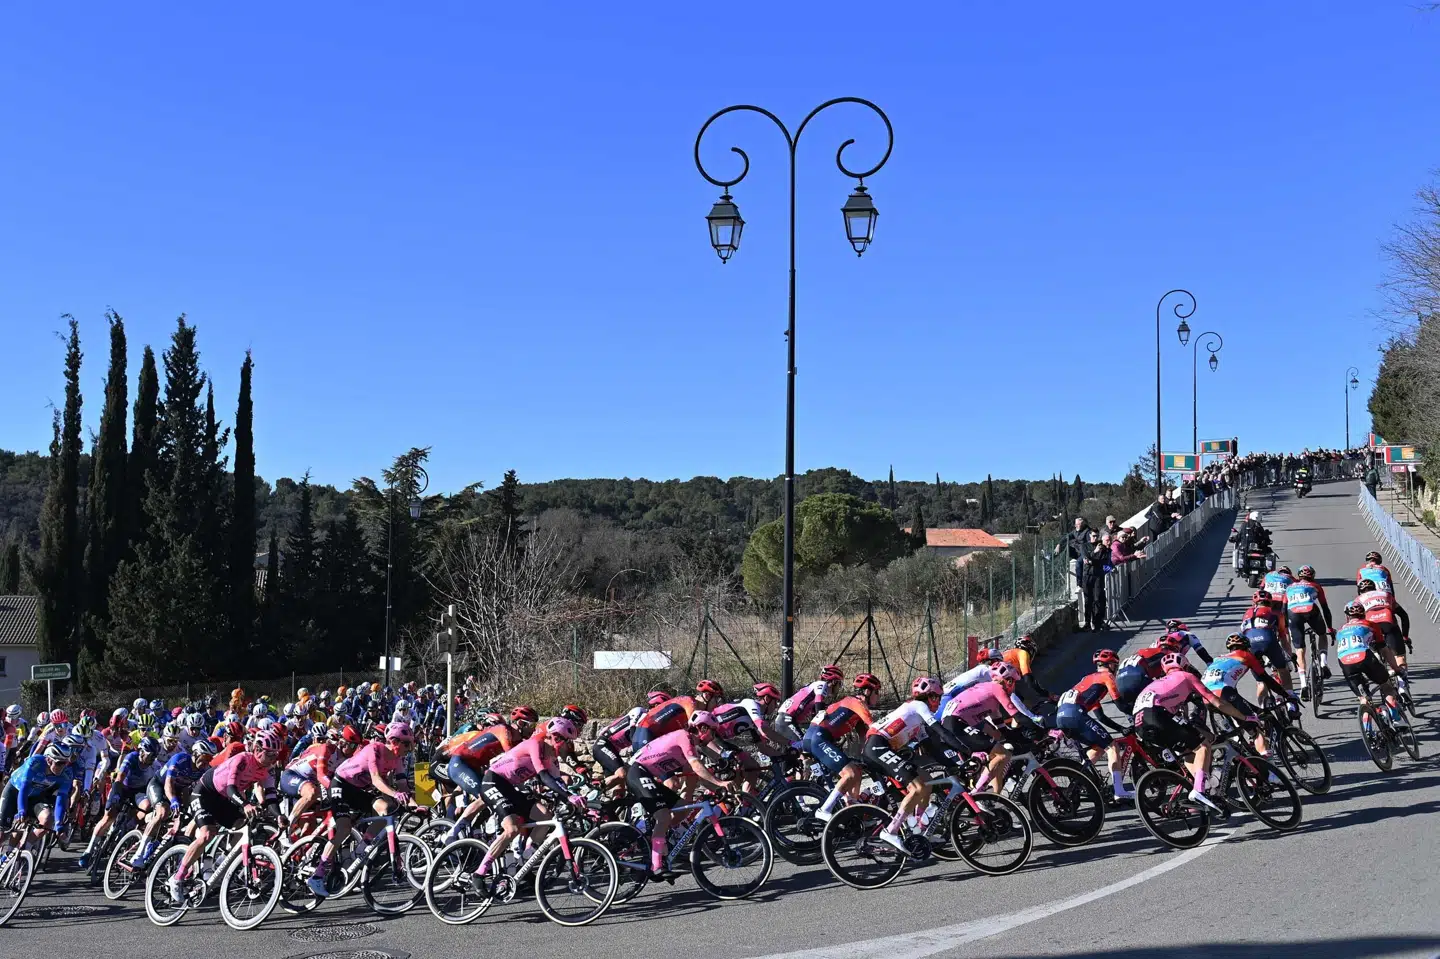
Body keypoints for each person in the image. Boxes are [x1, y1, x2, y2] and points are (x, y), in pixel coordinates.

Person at [306, 721, 415, 898]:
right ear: (394, 741)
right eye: (407, 743)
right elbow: (376, 780)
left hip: (358, 790)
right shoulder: (375, 749)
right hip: (340, 784)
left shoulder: (398, 759)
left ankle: (360, 852)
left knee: (386, 810)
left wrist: (417, 806)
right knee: (344, 828)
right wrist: (396, 794)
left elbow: (403, 786)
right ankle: (317, 876)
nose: (409, 748)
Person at [1133, 652, 1253, 812]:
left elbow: (1179, 720)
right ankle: (1199, 790)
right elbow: (1216, 702)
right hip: (1157, 715)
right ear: (1184, 665)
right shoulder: (1186, 676)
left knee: (1189, 751)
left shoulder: (1158, 684)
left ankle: (1204, 789)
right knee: (1203, 746)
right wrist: (1244, 717)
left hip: (1140, 723)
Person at [861, 677, 970, 854]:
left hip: (880, 748)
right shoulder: (919, 706)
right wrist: (967, 751)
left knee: (925, 784)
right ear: (929, 697)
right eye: (938, 697)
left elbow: (932, 746)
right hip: (877, 747)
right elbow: (941, 731)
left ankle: (920, 830)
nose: (939, 702)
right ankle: (891, 831)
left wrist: (954, 764)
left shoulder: (918, 720)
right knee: (917, 788)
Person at [627, 712, 733, 881]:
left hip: (647, 774)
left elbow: (697, 774)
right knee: (663, 816)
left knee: (681, 811)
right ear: (703, 728)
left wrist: (717, 789)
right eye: (713, 732)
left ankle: (655, 844)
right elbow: (697, 766)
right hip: (638, 771)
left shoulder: (689, 743)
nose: (714, 736)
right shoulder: (685, 737)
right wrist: (720, 783)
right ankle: (656, 866)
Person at [1200, 634, 1298, 756]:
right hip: (1223, 694)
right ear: (1246, 647)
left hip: (1206, 698)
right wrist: (1286, 695)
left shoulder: (1218, 659)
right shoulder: (1246, 655)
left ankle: (1246, 751)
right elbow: (1266, 679)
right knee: (1255, 726)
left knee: (1249, 715)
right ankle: (1268, 768)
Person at [1056, 649, 1132, 800]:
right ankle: (1119, 791)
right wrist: (1136, 714)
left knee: (1098, 747)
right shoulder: (1107, 676)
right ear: (1110, 665)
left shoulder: (1089, 680)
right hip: (1075, 714)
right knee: (1112, 746)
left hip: (1061, 716)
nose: (1115, 670)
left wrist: (1121, 728)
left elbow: (1101, 717)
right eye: (1115, 666)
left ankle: (1078, 780)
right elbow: (1120, 704)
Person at [805, 674, 883, 821]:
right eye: (877, 692)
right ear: (868, 692)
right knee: (850, 773)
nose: (878, 696)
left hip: (817, 737)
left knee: (857, 771)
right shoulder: (855, 703)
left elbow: (865, 737)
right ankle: (824, 810)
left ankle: (852, 813)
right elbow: (874, 728)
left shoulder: (855, 707)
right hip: (818, 738)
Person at [1335, 601, 1408, 728]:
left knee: (1364, 699)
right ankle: (1396, 719)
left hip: (1345, 662)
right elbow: (1383, 649)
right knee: (1386, 685)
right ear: (1363, 614)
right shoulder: (1371, 624)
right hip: (1364, 657)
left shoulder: (1340, 630)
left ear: (1347, 617)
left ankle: (1369, 732)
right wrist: (1396, 668)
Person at [1285, 565, 1335, 699]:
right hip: (1310, 610)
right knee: (1322, 634)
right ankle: (1323, 663)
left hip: (1293, 614)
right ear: (1312, 576)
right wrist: (1329, 628)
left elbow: (1284, 609)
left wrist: (1285, 627)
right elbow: (1325, 608)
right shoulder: (1315, 586)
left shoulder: (1289, 587)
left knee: (1300, 650)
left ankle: (1303, 686)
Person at [774, 666, 843, 744]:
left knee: (797, 751)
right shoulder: (822, 685)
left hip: (786, 720)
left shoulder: (814, 687)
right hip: (787, 720)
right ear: (834, 682)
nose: (839, 687)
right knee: (805, 746)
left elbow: (815, 716)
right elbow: (819, 712)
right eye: (839, 684)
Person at [1083, 529, 1111, 631]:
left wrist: (1091, 561)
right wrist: (1094, 553)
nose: (1095, 538)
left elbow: (1102, 561)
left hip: (1098, 575)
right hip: (1087, 575)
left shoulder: (1102, 547)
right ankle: (1087, 623)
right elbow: (1085, 558)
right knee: (1087, 600)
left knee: (1098, 599)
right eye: (1094, 535)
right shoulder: (1085, 546)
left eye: (1097, 536)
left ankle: (1097, 623)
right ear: (1089, 535)